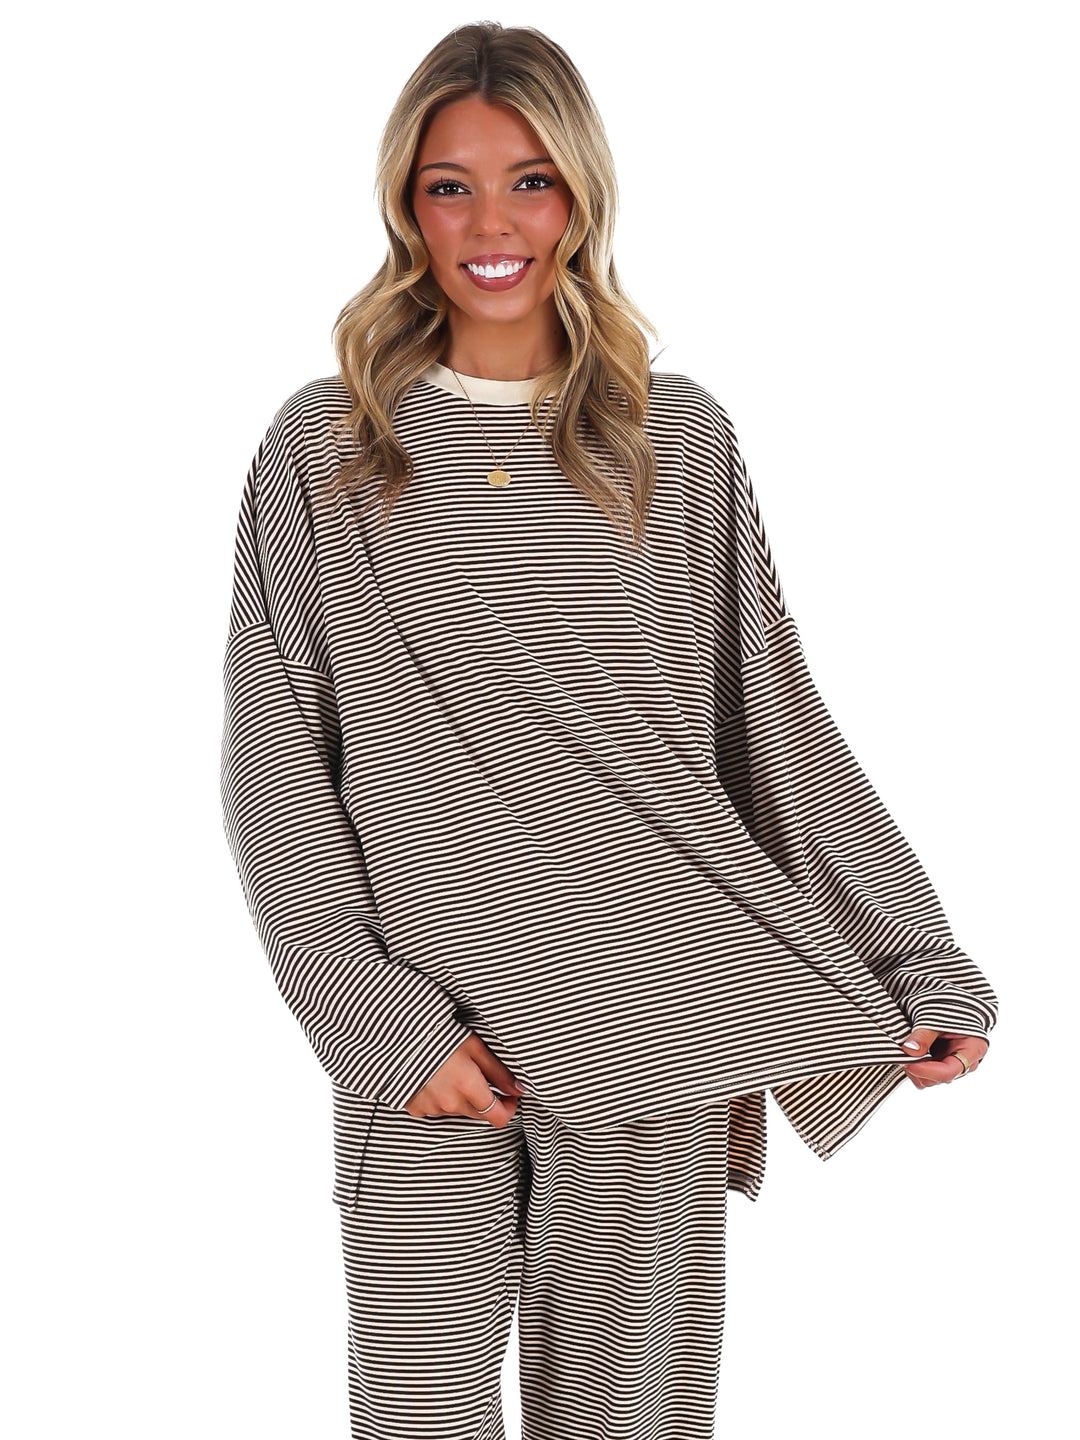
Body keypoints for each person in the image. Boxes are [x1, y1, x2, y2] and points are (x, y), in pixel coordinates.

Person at [219, 22, 999, 1440]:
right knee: (421, 1414)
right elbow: (277, 766)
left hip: (658, 1006)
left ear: (582, 196)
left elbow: (771, 725)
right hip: (433, 1036)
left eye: (531, 181)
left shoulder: (672, 440)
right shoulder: (326, 450)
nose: (493, 225)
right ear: (405, 206)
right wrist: (381, 1027)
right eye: (451, 187)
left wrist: (914, 957)